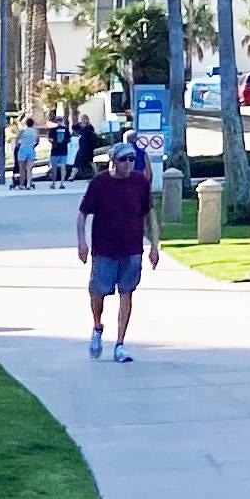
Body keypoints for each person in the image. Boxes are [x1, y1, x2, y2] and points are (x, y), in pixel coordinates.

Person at [76, 140, 159, 360]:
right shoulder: (99, 183)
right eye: (124, 159)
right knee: (98, 293)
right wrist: (81, 242)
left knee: (127, 293)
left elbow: (149, 214)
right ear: (113, 161)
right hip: (104, 249)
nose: (129, 163)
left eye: (132, 158)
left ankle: (120, 344)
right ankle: (97, 326)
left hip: (132, 248)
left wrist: (155, 246)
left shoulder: (140, 183)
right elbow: (83, 213)